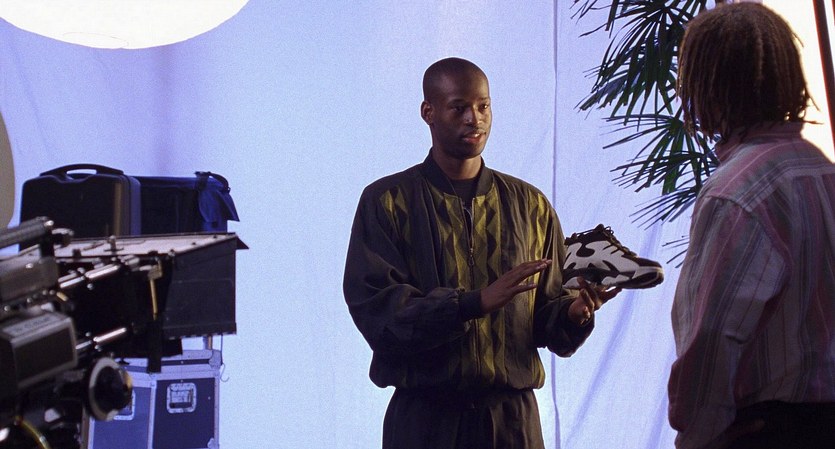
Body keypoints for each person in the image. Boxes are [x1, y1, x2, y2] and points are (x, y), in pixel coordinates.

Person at [343, 57, 618, 449]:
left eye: (483, 106)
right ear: (428, 112)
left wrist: (574, 313)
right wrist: (472, 303)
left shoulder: (531, 205)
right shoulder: (387, 202)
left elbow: (546, 316)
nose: (475, 119)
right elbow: (382, 317)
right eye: (459, 108)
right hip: (424, 422)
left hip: (513, 424)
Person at [668, 3, 835, 449]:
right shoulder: (822, 171)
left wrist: (698, 437)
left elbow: (714, 335)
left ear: (707, 86)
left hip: (776, 431)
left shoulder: (736, 192)